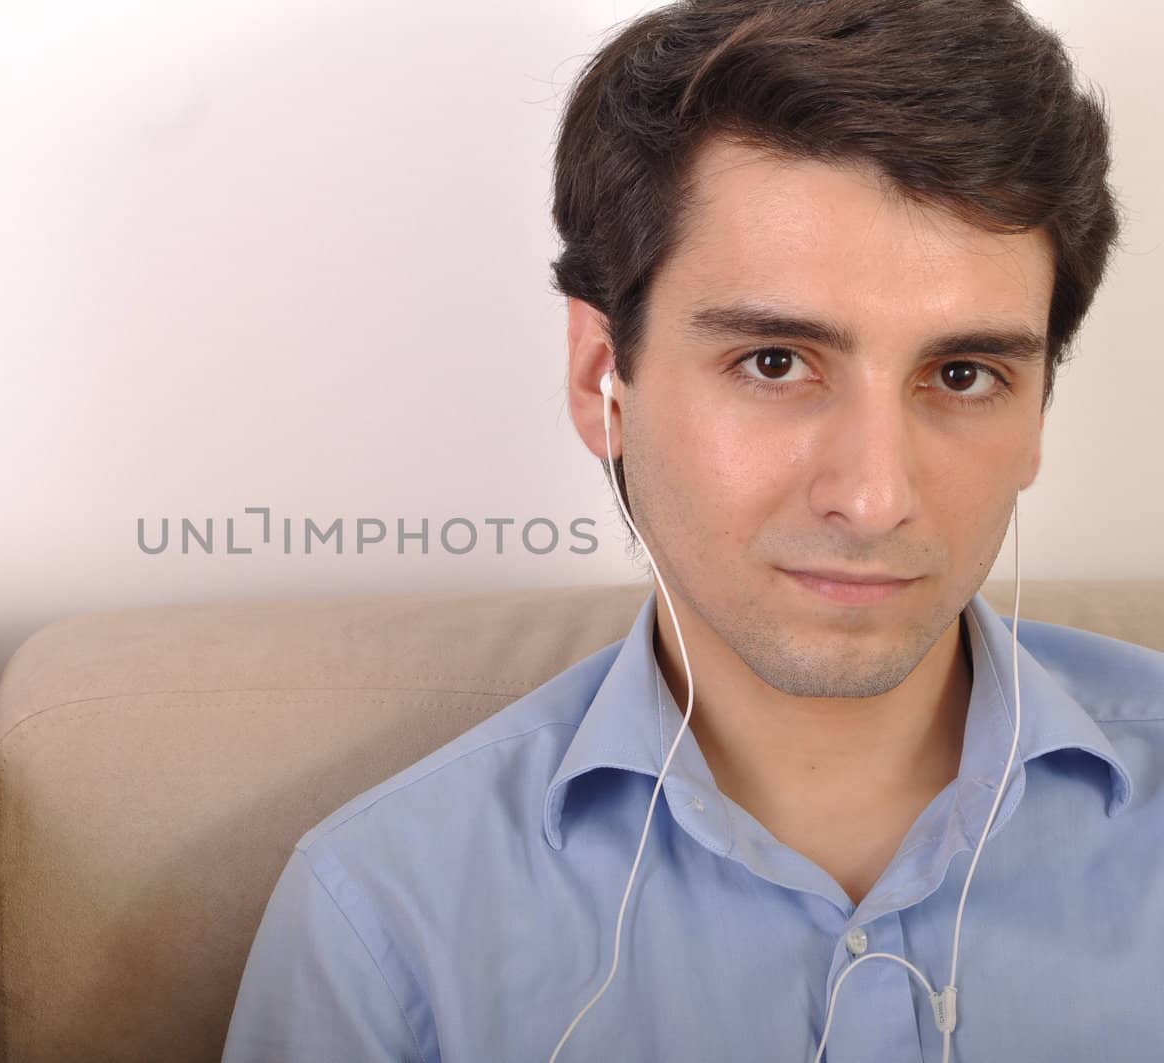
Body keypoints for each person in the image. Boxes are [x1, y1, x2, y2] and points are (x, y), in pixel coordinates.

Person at [222, 1, 1162, 1060]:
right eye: (774, 362)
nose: (872, 496)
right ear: (600, 378)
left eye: (961, 374)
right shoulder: (388, 923)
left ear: (1036, 411)